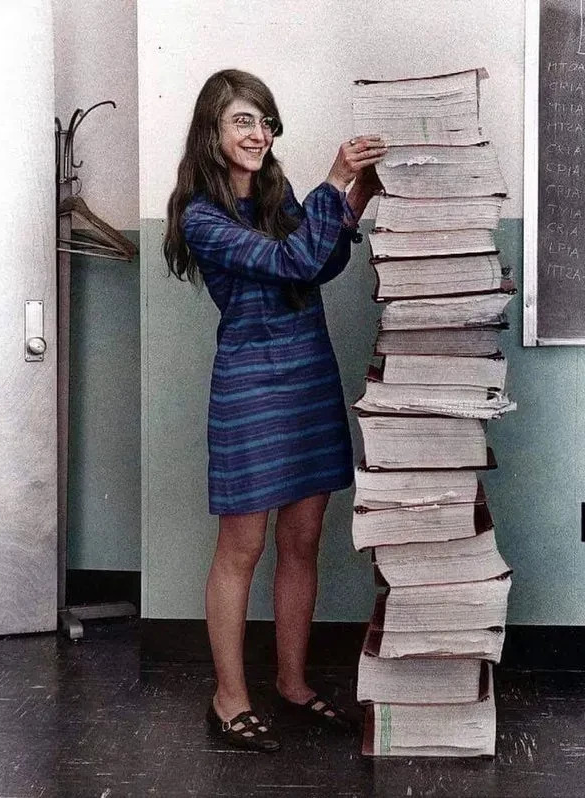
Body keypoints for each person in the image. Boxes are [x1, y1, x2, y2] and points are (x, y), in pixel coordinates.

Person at [163, 68, 386, 753]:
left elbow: (315, 263)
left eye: (264, 121)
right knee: (244, 547)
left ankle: (291, 682)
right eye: (242, 121)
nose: (258, 134)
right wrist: (334, 179)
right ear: (212, 130)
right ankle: (228, 699)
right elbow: (290, 260)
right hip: (251, 383)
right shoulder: (200, 215)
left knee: (301, 540)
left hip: (307, 374)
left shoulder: (275, 191)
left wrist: (359, 194)